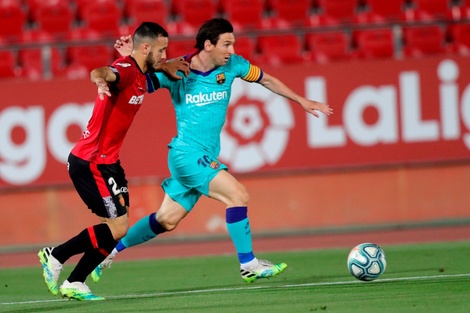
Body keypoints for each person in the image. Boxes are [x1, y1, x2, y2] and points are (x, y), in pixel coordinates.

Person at [92, 18, 333, 284]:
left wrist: (302, 100)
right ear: (208, 44)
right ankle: (248, 263)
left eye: (233, 44)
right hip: (186, 155)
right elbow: (136, 81)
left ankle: (109, 252)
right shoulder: (177, 69)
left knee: (166, 220)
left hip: (204, 156)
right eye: (226, 44)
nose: (231, 50)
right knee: (238, 194)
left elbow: (266, 80)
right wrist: (128, 59)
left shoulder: (234, 66)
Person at [37, 22, 189, 301]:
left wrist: (163, 66)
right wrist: (99, 78)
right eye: (162, 49)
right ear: (145, 48)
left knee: (119, 228)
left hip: (109, 162)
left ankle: (75, 281)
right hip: (90, 161)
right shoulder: (128, 71)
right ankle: (56, 256)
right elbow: (106, 72)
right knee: (118, 227)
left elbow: (147, 70)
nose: (165, 54)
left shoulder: (141, 74)